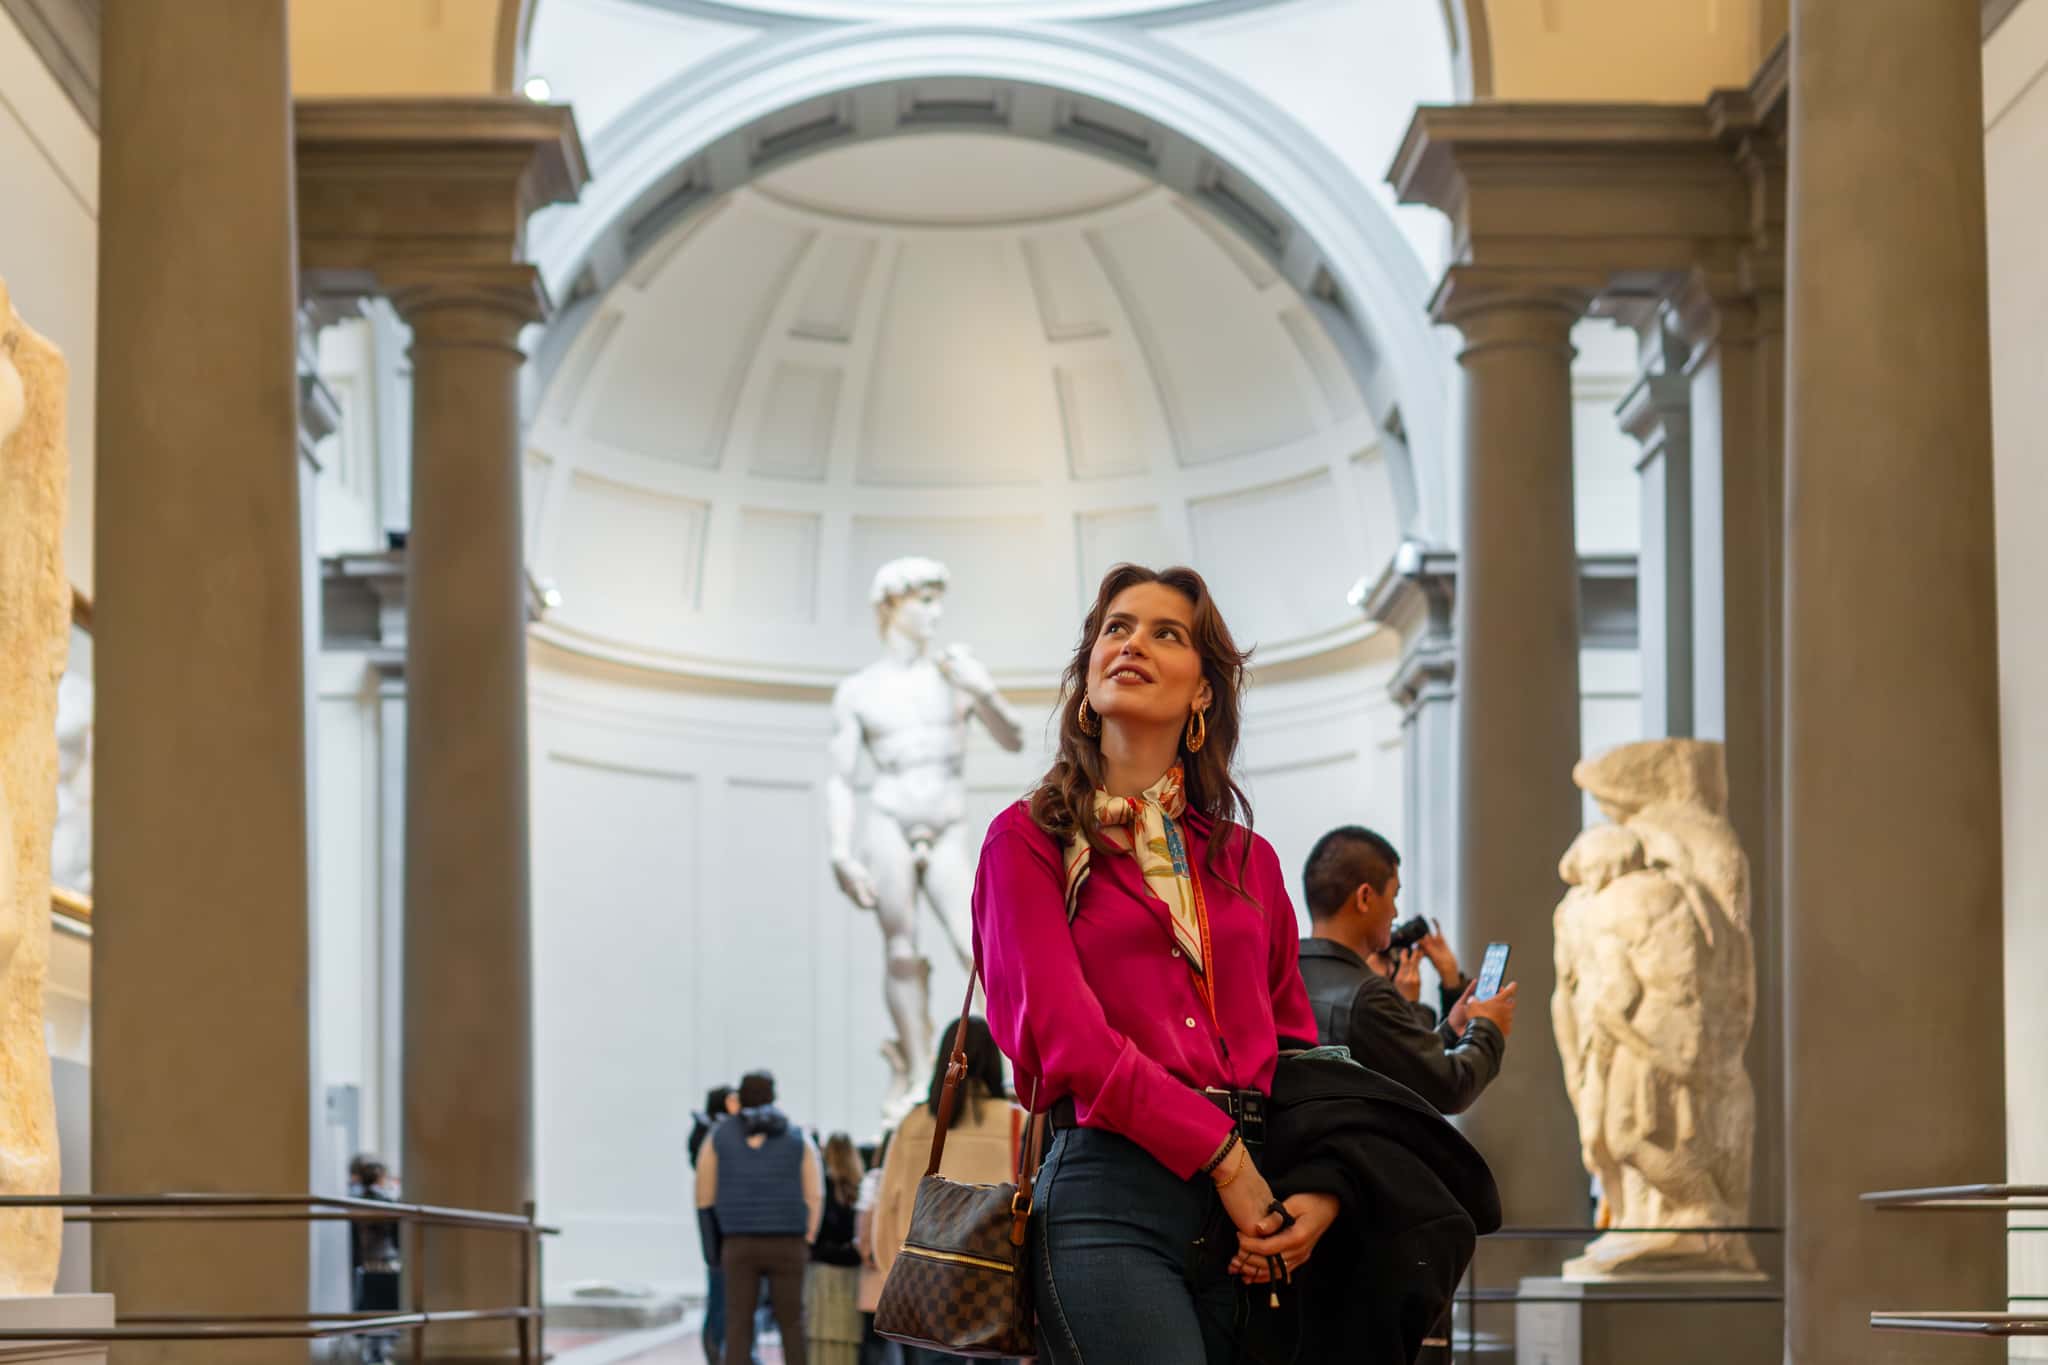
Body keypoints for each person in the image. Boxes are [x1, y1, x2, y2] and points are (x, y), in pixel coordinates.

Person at [973, 563, 1334, 1365]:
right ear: (1088, 671)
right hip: (1111, 1197)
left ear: (1204, 691)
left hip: (1256, 1215)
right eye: (1116, 627)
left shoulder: (1250, 859)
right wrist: (1225, 1157)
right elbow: (1069, 1039)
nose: (1132, 642)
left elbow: (1297, 1048)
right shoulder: (1025, 840)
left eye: (1165, 633)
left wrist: (1318, 1193)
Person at [827, 557, 1026, 1113]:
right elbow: (841, 779)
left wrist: (983, 690)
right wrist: (840, 851)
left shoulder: (955, 675)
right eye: (925, 600)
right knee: (900, 951)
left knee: (978, 949)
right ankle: (917, 1074)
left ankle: (1003, 1068)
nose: (936, 613)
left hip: (945, 823)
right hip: (889, 817)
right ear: (892, 604)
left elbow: (1012, 738)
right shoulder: (860, 691)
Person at [1296, 826, 1517, 1115]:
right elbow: (1451, 1086)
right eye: (1393, 895)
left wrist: (1450, 1029)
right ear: (1365, 898)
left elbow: (1394, 1059)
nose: (1395, 913)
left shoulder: (1282, 974)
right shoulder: (1367, 996)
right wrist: (1489, 1027)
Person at [871, 1016, 1025, 1365]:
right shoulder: (1017, 1123)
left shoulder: (911, 1126)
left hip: (924, 1288)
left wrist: (890, 1273)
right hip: (994, 1290)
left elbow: (886, 1212)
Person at [697, 1071, 824, 1365]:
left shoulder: (717, 1137)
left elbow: (704, 1197)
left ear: (740, 1097)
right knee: (792, 1323)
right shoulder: (797, 1136)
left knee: (738, 1323)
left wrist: (712, 1245)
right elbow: (814, 1194)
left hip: (738, 1242)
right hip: (788, 1242)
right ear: (773, 1096)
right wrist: (808, 1236)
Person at [690, 1085, 741, 1363]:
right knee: (721, 1297)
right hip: (722, 1231)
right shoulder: (714, 1136)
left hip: (721, 1229)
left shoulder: (711, 1133)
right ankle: (717, 1353)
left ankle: (720, 1352)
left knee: (724, 1297)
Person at [806, 1133, 867, 1365]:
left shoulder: (822, 1190)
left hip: (823, 1274)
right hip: (852, 1276)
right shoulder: (861, 1190)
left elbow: (816, 1234)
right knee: (846, 1343)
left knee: (820, 1342)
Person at [346, 1155, 401, 1365]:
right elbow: (397, 1238)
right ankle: (380, 1355)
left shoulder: (354, 1201)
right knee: (386, 1316)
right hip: (385, 1264)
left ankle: (371, 1354)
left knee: (369, 1315)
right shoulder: (387, 1202)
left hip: (364, 1266)